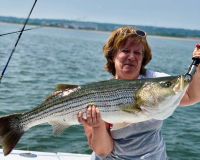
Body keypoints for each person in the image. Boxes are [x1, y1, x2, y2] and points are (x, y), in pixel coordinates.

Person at [77, 26, 200, 160]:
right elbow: (103, 151)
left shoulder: (156, 80)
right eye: (125, 51)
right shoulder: (99, 94)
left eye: (137, 53)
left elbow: (191, 97)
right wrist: (97, 125)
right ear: (113, 55)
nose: (131, 57)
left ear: (143, 58)